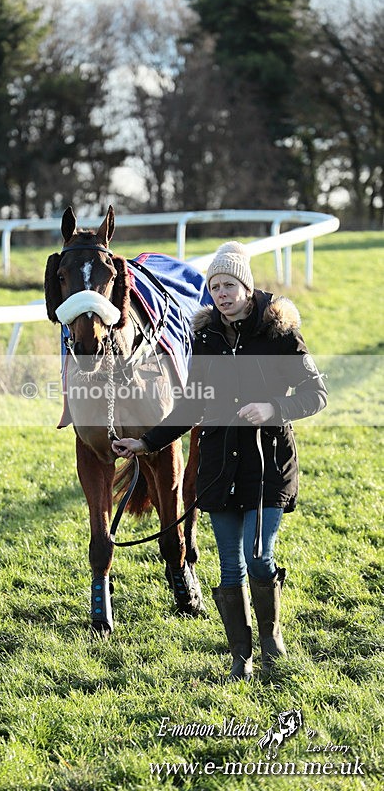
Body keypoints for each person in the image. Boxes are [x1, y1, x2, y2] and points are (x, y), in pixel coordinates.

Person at [111, 241, 327, 681]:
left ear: (246, 286)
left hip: (268, 463)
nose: (221, 294)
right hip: (218, 467)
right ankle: (240, 657)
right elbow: (190, 405)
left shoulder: (279, 332)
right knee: (230, 564)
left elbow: (316, 394)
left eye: (229, 285)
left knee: (258, 556)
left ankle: (270, 638)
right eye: (214, 287)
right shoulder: (204, 335)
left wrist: (272, 409)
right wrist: (145, 442)